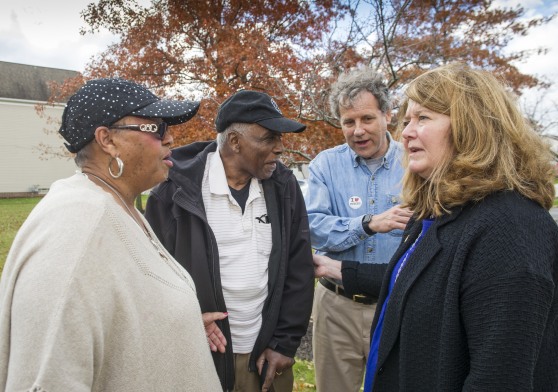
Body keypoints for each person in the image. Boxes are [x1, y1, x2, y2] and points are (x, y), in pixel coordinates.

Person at [0, 78, 224, 391]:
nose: (170, 138)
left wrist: (176, 324)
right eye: (156, 129)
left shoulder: (118, 205)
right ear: (107, 140)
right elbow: (47, 376)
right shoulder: (75, 231)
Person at [364, 62, 558, 391]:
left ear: (472, 126)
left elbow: (499, 379)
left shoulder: (510, 228)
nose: (405, 132)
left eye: (423, 117)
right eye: (407, 119)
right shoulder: (436, 213)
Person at [145, 90, 315, 392]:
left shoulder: (283, 185)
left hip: (264, 358)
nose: (280, 148)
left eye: (280, 138)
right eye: (268, 138)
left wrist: (285, 344)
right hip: (200, 354)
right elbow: (150, 279)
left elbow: (298, 268)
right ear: (235, 142)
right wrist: (186, 322)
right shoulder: (174, 191)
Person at [305, 67, 412, 392]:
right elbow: (313, 228)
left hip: (397, 306)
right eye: (348, 122)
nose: (357, 130)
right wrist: (367, 224)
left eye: (367, 119)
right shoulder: (325, 165)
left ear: (387, 115)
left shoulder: (414, 164)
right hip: (337, 306)